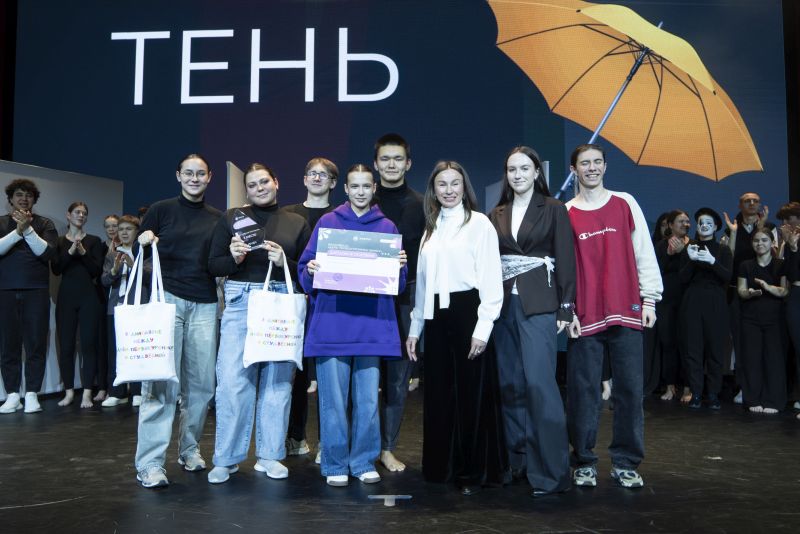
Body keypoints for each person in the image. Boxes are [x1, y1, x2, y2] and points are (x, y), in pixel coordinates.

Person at [298, 164, 407, 488]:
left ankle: (362, 461)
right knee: (332, 401)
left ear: (374, 189)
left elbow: (398, 285)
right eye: (354, 186)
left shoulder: (387, 227)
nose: (360, 192)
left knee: (368, 401)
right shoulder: (327, 223)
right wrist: (311, 268)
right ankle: (334, 462)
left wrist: (400, 267)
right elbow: (305, 271)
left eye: (366, 186)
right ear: (345, 189)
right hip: (333, 325)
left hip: (371, 327)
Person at [564, 144, 662, 489]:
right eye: (584, 163)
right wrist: (567, 310)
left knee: (630, 391)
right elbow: (563, 269)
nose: (591, 168)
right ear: (574, 170)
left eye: (597, 162)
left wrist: (649, 300)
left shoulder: (625, 203)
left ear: (605, 166)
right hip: (585, 315)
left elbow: (644, 253)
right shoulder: (566, 212)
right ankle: (584, 461)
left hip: (627, 310)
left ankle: (625, 462)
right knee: (583, 393)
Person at [406, 160, 506, 496]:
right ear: (433, 190)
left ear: (465, 188)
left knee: (470, 396)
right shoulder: (430, 229)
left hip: (468, 314)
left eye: (455, 183)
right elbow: (423, 284)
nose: (449, 190)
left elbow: (491, 279)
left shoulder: (479, 224)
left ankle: (471, 472)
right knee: (438, 395)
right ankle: (441, 469)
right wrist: (415, 328)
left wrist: (483, 327)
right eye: (442, 184)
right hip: (435, 319)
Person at [206, 163, 310, 484]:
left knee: (278, 383)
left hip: (281, 301)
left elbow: (308, 270)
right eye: (252, 185)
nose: (259, 188)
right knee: (232, 382)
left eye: (264, 181)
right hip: (241, 301)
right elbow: (213, 265)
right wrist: (234, 258)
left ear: (276, 182)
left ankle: (270, 455)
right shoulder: (232, 218)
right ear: (246, 190)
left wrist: (285, 262)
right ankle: (226, 458)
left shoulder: (296, 221)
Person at [489, 146, 576, 497]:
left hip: (539, 303)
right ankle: (518, 461)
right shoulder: (496, 213)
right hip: (502, 306)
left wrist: (566, 307)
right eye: (512, 169)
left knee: (540, 386)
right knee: (510, 385)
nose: (518, 174)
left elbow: (566, 258)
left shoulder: (553, 208)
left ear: (537, 172)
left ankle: (552, 473)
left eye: (525, 168)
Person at [134, 153, 222, 488]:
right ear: (178, 175)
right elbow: (141, 252)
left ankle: (189, 448)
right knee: (161, 383)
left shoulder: (218, 218)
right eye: (189, 173)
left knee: (201, 386)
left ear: (209, 177)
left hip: (205, 304)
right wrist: (144, 242)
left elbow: (219, 262)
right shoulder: (161, 210)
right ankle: (150, 463)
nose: (194, 179)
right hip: (167, 301)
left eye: (200, 173)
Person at [373, 133, 425, 472]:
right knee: (362, 376)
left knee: (396, 379)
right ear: (376, 164)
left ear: (408, 164)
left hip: (406, 299)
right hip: (366, 299)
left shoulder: (423, 204)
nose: (391, 164)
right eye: (385, 159)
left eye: (397, 159)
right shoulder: (364, 199)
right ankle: (358, 445)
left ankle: (386, 448)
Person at [282, 157, 338, 459]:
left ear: (333, 182)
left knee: (330, 377)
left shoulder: (340, 216)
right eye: (312, 174)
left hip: (330, 304)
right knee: (297, 374)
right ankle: (295, 436)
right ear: (304, 179)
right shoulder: (288, 215)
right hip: (295, 301)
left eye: (323, 175)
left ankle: (327, 443)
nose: (317, 178)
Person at [0, 179, 57, 414]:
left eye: (29, 195)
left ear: (34, 200)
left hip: (36, 291)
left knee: (35, 343)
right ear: (10, 199)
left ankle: (32, 393)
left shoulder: (44, 223)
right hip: (5, 290)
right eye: (19, 195)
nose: (24, 199)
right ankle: (13, 395)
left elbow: (46, 253)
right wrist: (18, 231)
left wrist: (28, 229)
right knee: (8, 344)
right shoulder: (1, 222)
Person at [51, 202, 105, 409]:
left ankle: (87, 393)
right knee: (66, 345)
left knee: (88, 345)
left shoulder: (94, 241)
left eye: (84, 213)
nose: (81, 215)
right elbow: (56, 269)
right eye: (77, 212)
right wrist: (70, 250)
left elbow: (95, 271)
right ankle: (69, 392)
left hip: (89, 297)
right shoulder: (58, 241)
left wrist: (83, 252)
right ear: (68, 215)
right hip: (66, 297)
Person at [679, 208, 733, 409]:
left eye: (708, 222)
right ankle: (696, 393)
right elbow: (682, 279)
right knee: (693, 349)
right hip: (693, 301)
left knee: (715, 349)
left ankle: (713, 394)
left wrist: (712, 261)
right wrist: (692, 261)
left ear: (716, 226)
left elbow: (727, 276)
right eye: (701, 222)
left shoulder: (722, 250)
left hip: (715, 301)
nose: (704, 225)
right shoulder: (690, 248)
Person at [737, 229, 788, 414]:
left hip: (774, 318)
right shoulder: (746, 265)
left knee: (774, 359)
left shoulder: (780, 264)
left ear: (772, 242)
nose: (760, 243)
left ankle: (773, 400)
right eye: (756, 240)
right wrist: (749, 293)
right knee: (752, 358)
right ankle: (753, 398)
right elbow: (741, 290)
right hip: (750, 318)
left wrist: (767, 287)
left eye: (764, 240)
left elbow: (784, 291)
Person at [101, 214, 147, 407]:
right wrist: (114, 270)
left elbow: (151, 277)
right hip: (116, 308)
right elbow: (104, 281)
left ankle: (138, 391)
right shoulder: (112, 254)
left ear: (137, 232)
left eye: (129, 229)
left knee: (136, 349)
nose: (124, 233)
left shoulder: (144, 252)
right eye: (121, 229)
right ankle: (116, 392)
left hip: (138, 307)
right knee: (115, 351)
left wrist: (133, 265)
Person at [654, 210, 691, 403]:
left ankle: (687, 387)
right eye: (680, 221)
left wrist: (683, 252)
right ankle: (670, 386)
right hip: (667, 300)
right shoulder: (661, 245)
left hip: (688, 300)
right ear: (670, 225)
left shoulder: (693, 245)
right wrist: (669, 254)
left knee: (688, 344)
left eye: (687, 221)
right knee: (668, 343)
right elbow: (656, 271)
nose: (685, 224)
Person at [777, 203, 800, 410]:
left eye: (787, 219)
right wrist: (791, 248)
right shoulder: (787, 243)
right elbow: (790, 274)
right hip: (795, 294)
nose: (784, 224)